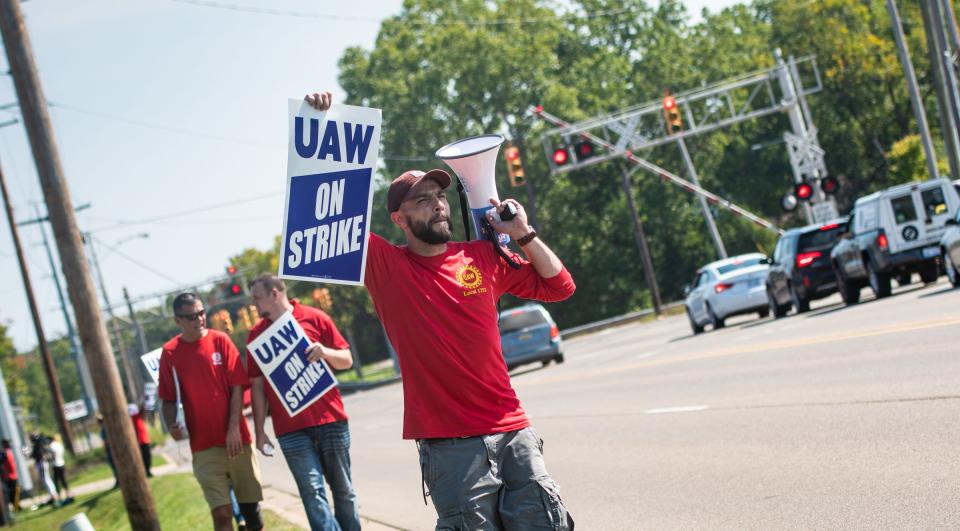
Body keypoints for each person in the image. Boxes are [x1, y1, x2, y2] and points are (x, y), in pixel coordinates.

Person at [306, 92, 577, 529]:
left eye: (439, 195)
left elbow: (560, 286)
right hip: (450, 446)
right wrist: (323, 128)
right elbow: (330, 217)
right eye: (422, 200)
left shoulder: (483, 256)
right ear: (399, 219)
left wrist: (523, 233)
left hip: (512, 428)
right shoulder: (384, 265)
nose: (437, 204)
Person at [247, 274, 360, 531]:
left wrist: (324, 352)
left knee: (344, 490)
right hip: (290, 430)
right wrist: (260, 431)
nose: (254, 305)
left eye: (257, 299)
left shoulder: (315, 317)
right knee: (312, 493)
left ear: (275, 294)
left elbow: (346, 360)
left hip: (331, 420)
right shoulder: (256, 336)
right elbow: (257, 386)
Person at [158, 292, 265, 531]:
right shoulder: (170, 353)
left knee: (253, 516)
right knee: (222, 513)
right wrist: (171, 426)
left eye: (201, 313)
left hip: (237, 441)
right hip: (203, 447)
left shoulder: (221, 341)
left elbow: (238, 387)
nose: (199, 319)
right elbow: (167, 398)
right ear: (178, 321)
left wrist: (234, 429)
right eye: (191, 316)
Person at [28, 433, 58, 507]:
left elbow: (34, 455)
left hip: (41, 463)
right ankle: (52, 495)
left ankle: (53, 495)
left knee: (46, 480)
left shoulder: (38, 444)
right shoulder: (38, 444)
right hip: (42, 463)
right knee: (46, 479)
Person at [129, 403, 153, 477]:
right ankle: (145, 472)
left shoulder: (138, 416)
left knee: (147, 457)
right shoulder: (133, 417)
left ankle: (147, 471)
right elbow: (142, 410)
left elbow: (143, 410)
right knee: (143, 458)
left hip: (144, 440)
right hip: (139, 441)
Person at [48, 434, 72, 504]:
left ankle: (60, 498)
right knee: (64, 481)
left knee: (57, 482)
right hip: (62, 463)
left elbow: (53, 454)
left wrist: (50, 459)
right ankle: (69, 495)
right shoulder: (59, 444)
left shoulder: (52, 446)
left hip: (55, 465)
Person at [1, 439, 20, 512]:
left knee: (16, 491)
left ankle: (17, 506)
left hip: (13, 475)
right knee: (13, 492)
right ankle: (16, 507)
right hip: (10, 476)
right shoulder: (5, 453)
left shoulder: (8, 452)